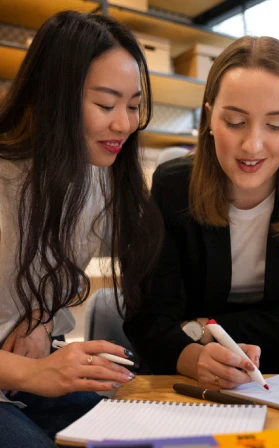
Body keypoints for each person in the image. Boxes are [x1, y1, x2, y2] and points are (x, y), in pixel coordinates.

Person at [124, 35, 279, 391]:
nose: (253, 145)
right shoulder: (173, 188)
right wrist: (195, 354)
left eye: (276, 125)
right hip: (194, 366)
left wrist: (208, 327)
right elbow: (148, 319)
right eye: (235, 122)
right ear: (209, 119)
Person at [0, 10, 162, 448]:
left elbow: (40, 280)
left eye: (132, 106)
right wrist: (34, 372)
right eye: (106, 105)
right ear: (52, 96)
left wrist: (39, 316)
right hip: (18, 377)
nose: (124, 124)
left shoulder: (96, 176)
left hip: (21, 379)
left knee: (138, 435)